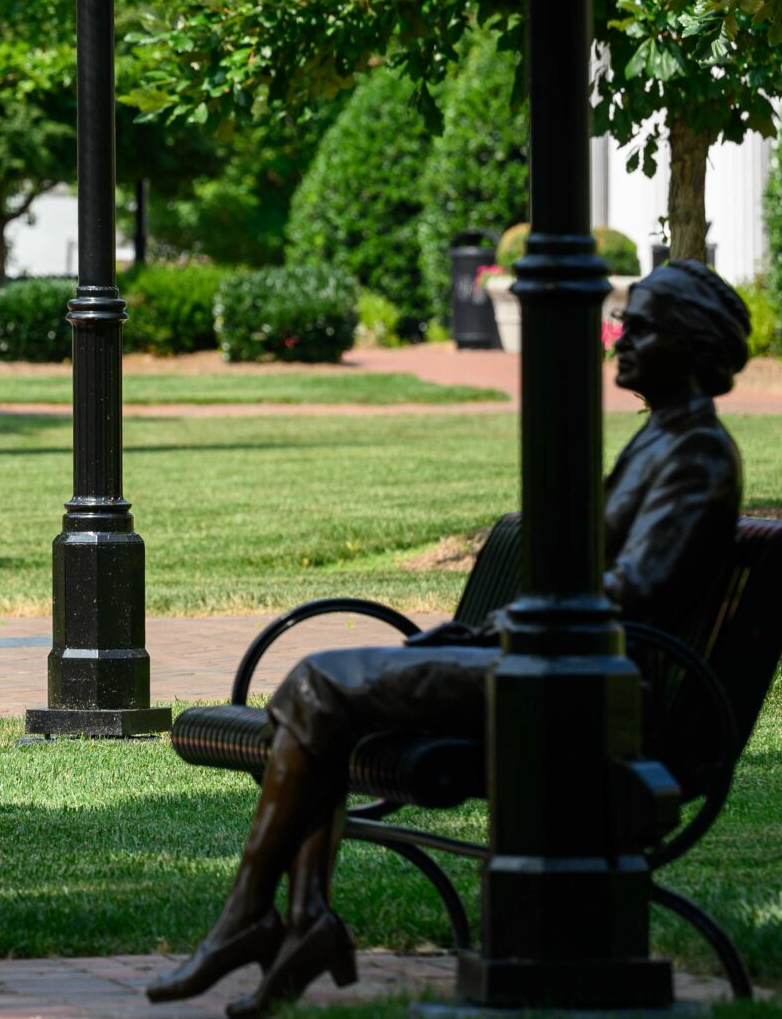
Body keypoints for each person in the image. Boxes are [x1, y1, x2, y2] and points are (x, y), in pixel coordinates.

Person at [151, 259, 751, 1018]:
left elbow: (634, 591)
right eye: (623, 320)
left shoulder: (696, 453)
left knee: (317, 685)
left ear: (692, 343)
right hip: (553, 667)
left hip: (590, 696)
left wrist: (506, 629)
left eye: (642, 325)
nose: (619, 336)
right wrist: (475, 631)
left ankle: (265, 918)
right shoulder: (661, 439)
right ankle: (295, 919)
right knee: (318, 693)